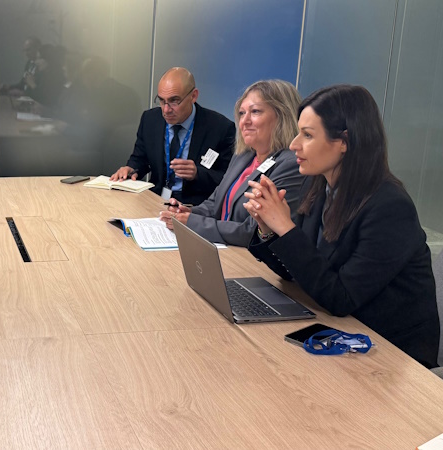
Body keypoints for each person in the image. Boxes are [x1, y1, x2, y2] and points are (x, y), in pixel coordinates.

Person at [243, 84, 439, 367]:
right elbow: (298, 273)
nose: (294, 144)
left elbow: (341, 297)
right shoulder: (318, 185)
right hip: (339, 333)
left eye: (307, 135)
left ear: (344, 142)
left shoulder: (390, 207)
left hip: (391, 357)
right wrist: (268, 229)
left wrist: (286, 229)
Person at [160, 79, 304, 247]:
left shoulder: (291, 164)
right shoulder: (243, 156)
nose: (245, 121)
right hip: (222, 248)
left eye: (255, 111)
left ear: (283, 116)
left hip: (249, 257)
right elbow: (214, 204)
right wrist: (188, 212)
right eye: (242, 113)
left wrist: (192, 222)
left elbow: (252, 231)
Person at [111, 67, 235, 206]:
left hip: (194, 206)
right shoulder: (150, 119)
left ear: (193, 96)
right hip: (155, 199)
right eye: (162, 100)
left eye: (174, 101)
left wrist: (197, 173)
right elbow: (140, 158)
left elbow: (228, 180)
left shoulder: (220, 128)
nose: (166, 110)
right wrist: (131, 169)